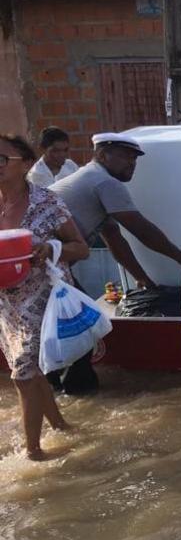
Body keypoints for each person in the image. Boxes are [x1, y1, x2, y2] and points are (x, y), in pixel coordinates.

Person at [0, 134, 90, 460]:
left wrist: (50, 248)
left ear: (24, 164)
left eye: (1, 159)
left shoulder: (46, 203)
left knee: (23, 374)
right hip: (6, 304)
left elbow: (82, 248)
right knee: (30, 370)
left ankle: (33, 453)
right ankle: (61, 426)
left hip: (42, 297)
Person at [51, 132, 181, 288]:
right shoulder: (105, 182)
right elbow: (141, 229)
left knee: (79, 309)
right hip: (42, 260)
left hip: (48, 263)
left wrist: (143, 280)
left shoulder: (93, 176)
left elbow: (114, 238)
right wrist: (179, 255)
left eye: (134, 158)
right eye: (125, 156)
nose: (132, 163)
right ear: (102, 155)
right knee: (79, 310)